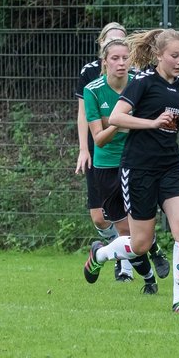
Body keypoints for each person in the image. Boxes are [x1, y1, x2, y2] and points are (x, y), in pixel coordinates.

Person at [82, 28, 179, 314]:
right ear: (158, 55)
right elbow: (117, 117)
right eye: (174, 56)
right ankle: (101, 253)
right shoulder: (142, 82)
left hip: (170, 168)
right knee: (140, 244)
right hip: (139, 168)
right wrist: (152, 122)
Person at [82, 37, 165, 294]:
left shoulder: (138, 84)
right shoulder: (93, 90)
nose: (121, 63)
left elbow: (149, 123)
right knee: (126, 232)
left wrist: (115, 120)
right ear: (104, 62)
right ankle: (150, 271)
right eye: (115, 59)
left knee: (141, 225)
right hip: (105, 167)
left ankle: (154, 263)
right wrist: (121, 121)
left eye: (125, 58)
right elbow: (99, 139)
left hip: (136, 163)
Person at [74, 22, 136, 282]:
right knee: (99, 218)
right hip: (100, 149)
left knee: (130, 215)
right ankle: (111, 248)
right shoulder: (90, 75)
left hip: (128, 154)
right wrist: (83, 148)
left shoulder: (135, 77)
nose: (118, 54)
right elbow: (82, 113)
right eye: (111, 43)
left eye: (122, 44)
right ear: (102, 48)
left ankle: (125, 264)